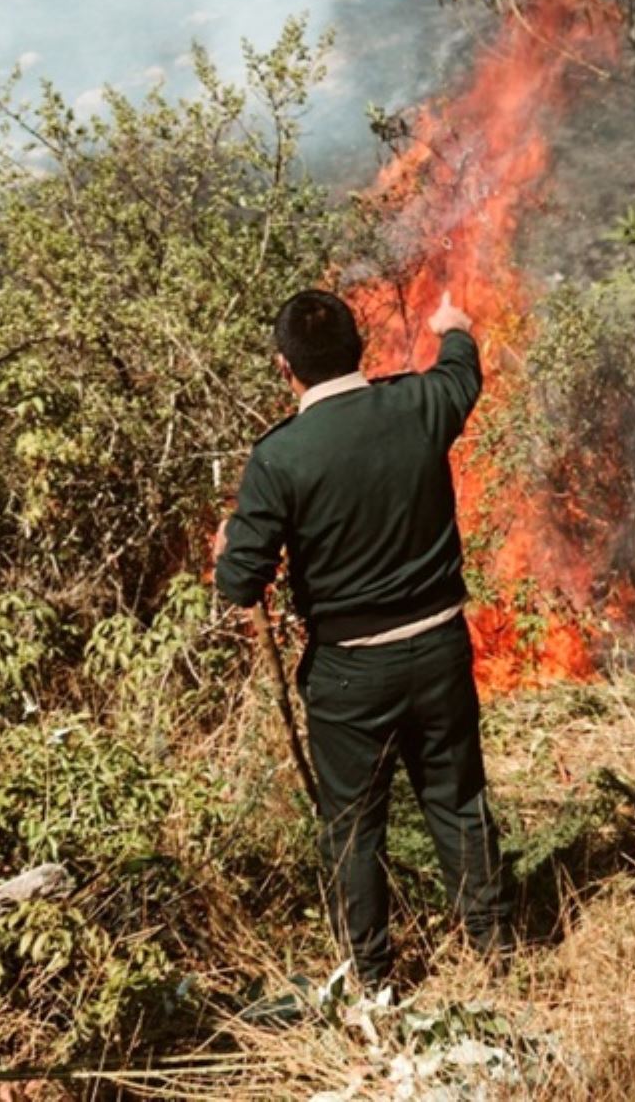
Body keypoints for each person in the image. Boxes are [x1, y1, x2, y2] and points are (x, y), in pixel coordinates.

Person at [215, 288, 510, 987]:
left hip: (350, 673)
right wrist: (455, 326)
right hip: (440, 647)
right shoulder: (417, 405)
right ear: (360, 346)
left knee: (352, 827)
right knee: (458, 799)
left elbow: (239, 583)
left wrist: (234, 545)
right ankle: (496, 954)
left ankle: (374, 981)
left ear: (284, 367)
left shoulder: (280, 458)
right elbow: (462, 370)